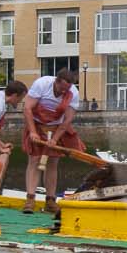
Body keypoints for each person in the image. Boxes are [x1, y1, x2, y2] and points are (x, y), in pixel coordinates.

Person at [21, 67, 84, 214]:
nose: (63, 92)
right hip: (36, 123)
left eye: (66, 90)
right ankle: (30, 199)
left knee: (53, 162)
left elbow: (67, 120)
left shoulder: (73, 93)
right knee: (34, 160)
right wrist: (32, 132)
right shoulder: (41, 84)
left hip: (57, 126)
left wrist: (55, 139)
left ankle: (50, 200)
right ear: (56, 81)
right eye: (61, 89)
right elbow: (28, 109)